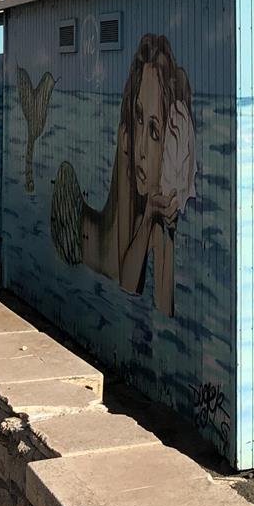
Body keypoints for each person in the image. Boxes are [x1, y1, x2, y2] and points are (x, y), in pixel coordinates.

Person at [50, 33, 195, 318]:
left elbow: (160, 308)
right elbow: (126, 283)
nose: (141, 147)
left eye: (154, 132)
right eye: (138, 117)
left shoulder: (158, 215)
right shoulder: (128, 145)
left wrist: (164, 228)